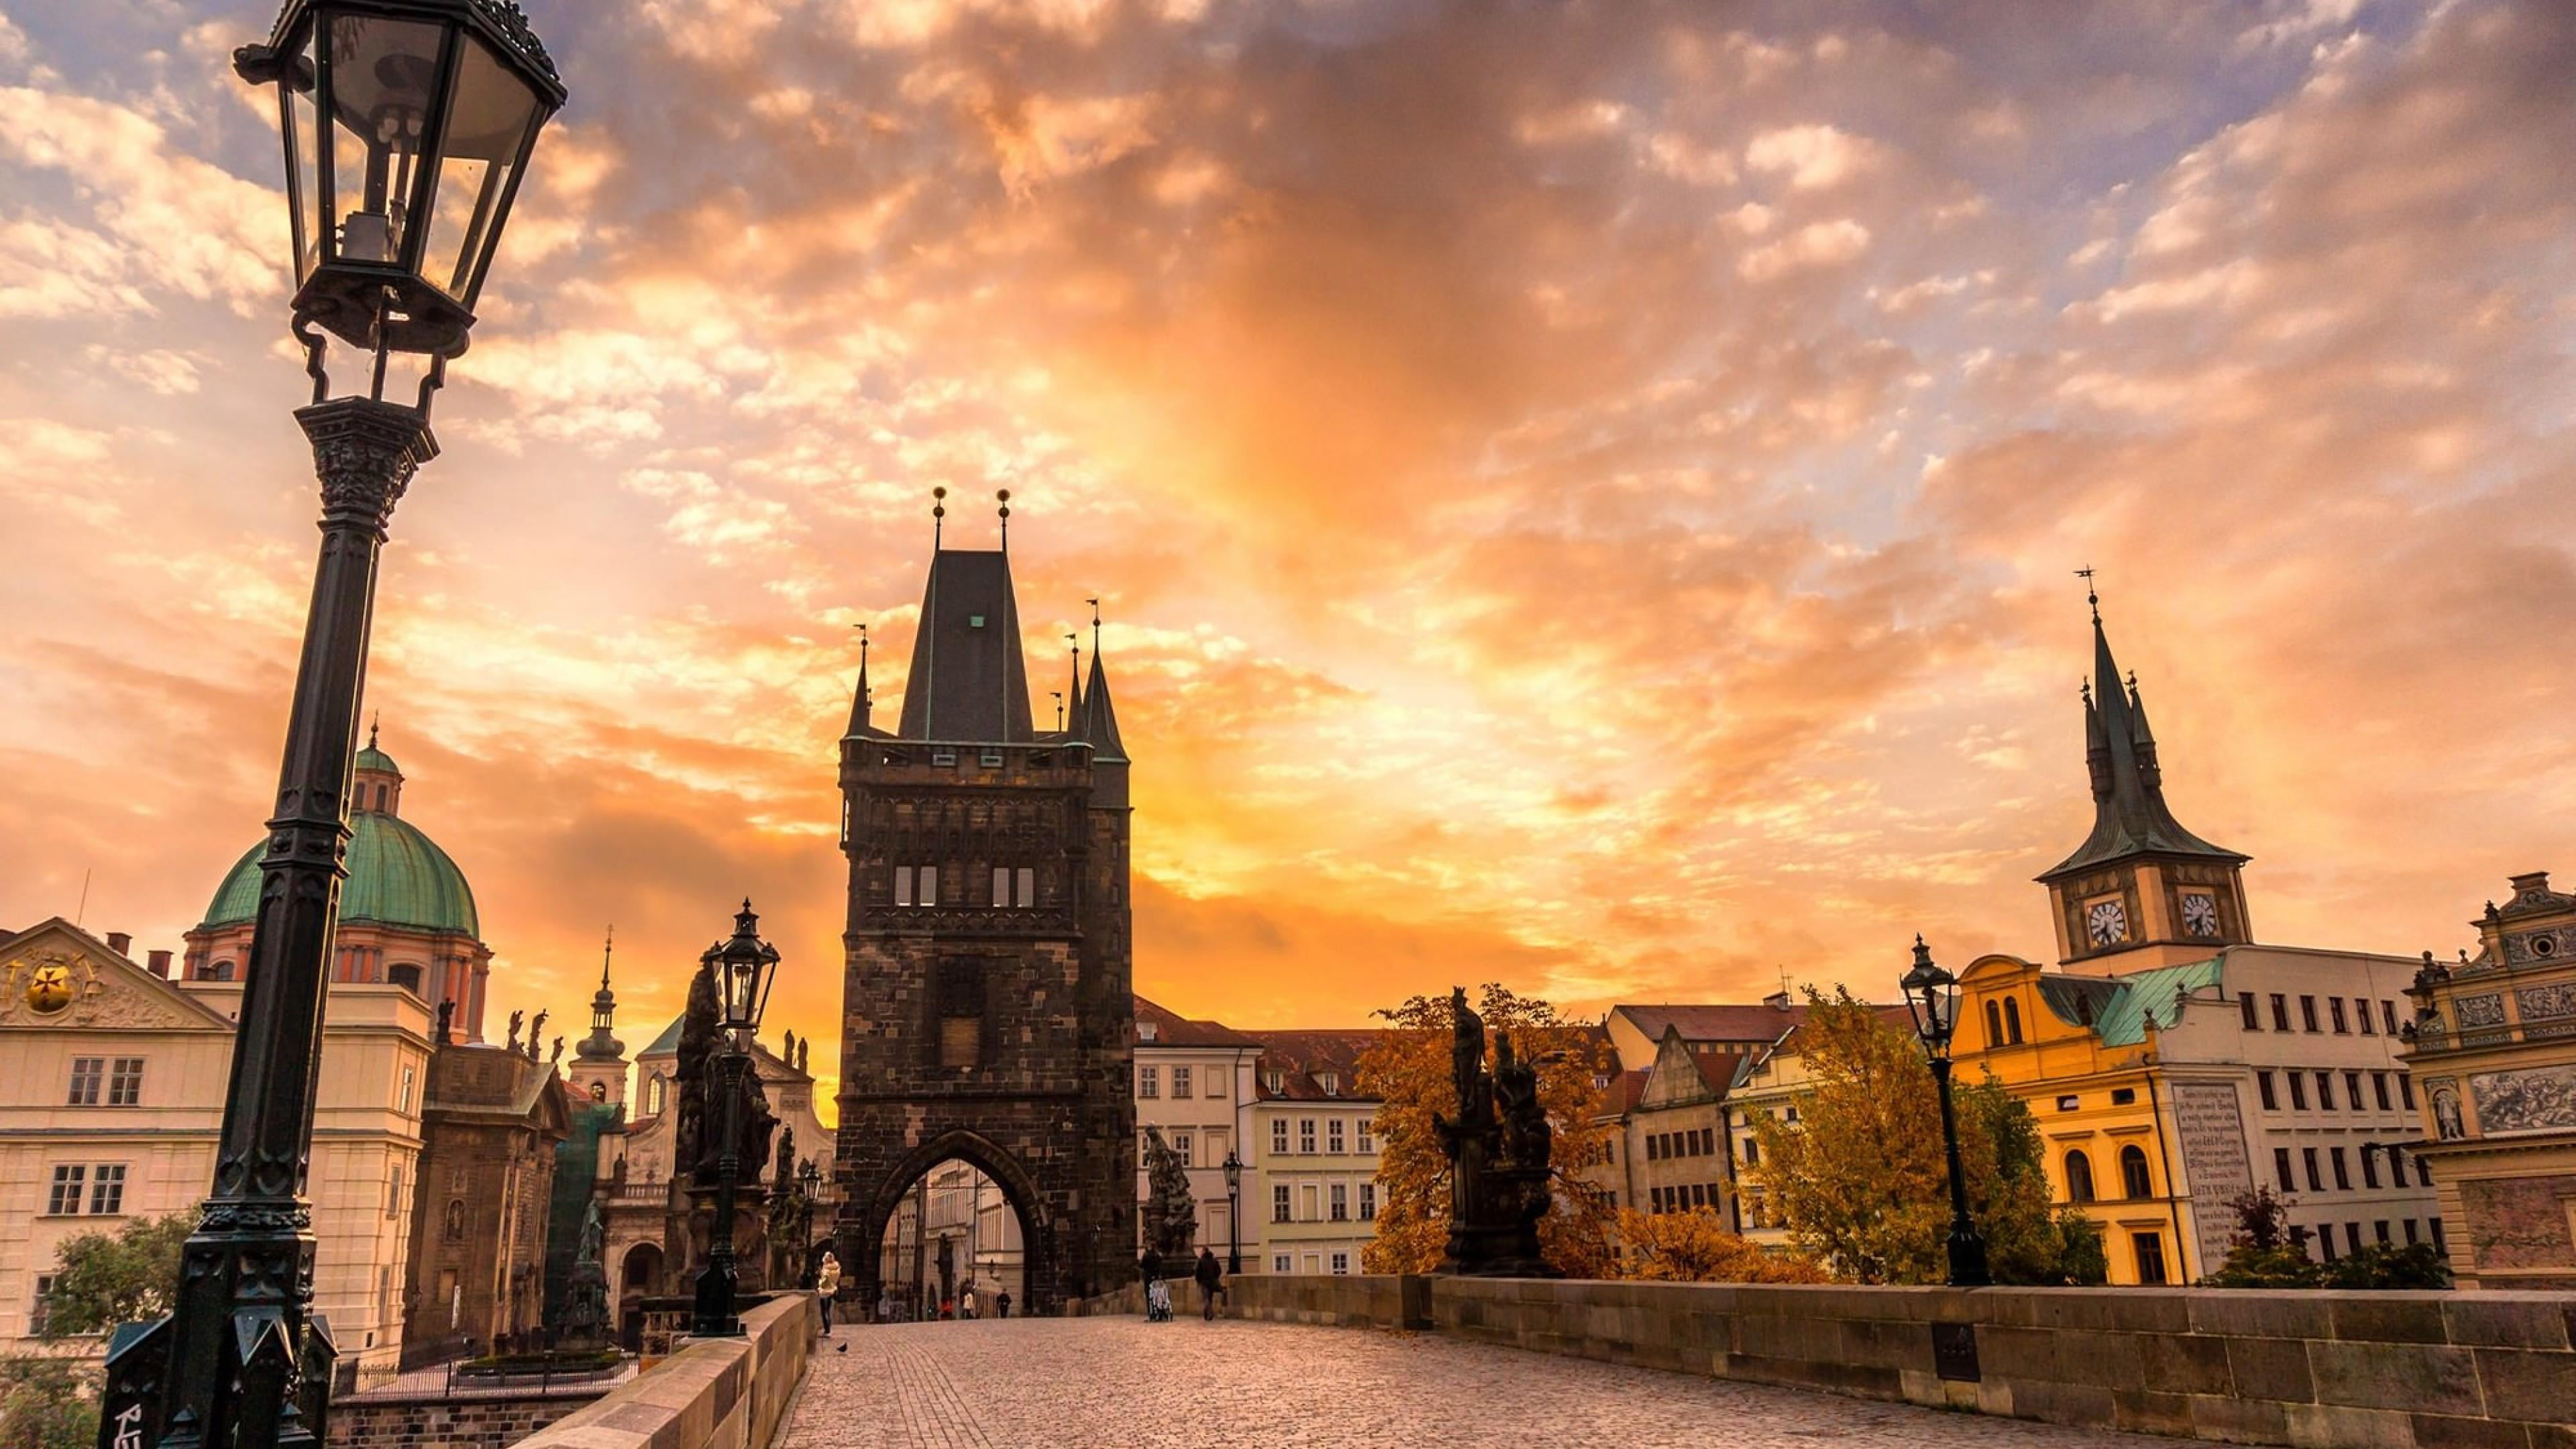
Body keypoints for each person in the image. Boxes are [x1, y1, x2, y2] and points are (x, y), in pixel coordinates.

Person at [1193, 1246, 1224, 1322]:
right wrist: (1215, 1277)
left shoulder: (1201, 1261)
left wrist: (1199, 1281)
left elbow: (1197, 1272)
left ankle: (1209, 1313)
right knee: (1209, 1298)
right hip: (1212, 1282)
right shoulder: (1214, 1260)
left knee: (1206, 1298)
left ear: (1204, 1252)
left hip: (1204, 1283)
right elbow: (1219, 1271)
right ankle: (1206, 1314)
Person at [815, 1252, 841, 1336]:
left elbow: (825, 1280)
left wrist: (820, 1285)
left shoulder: (826, 1269)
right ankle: (828, 1329)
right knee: (828, 1310)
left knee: (824, 1311)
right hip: (832, 1290)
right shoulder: (836, 1268)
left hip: (825, 1291)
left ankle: (827, 1330)